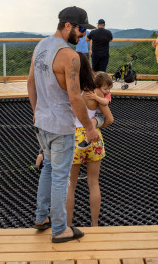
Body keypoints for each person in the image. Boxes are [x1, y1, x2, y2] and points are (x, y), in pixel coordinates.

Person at [27, 6, 99, 243]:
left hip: (42, 123)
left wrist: (36, 112)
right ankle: (59, 229)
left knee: (47, 168)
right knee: (60, 176)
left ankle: (40, 217)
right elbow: (75, 97)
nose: (83, 35)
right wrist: (89, 128)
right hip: (60, 126)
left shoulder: (40, 46)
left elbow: (30, 82)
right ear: (68, 26)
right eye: (81, 29)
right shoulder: (70, 57)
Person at [66, 53, 114, 228]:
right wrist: (95, 123)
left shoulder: (69, 90)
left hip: (73, 137)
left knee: (70, 185)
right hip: (93, 136)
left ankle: (68, 225)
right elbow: (109, 119)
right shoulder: (94, 93)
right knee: (93, 183)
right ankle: (94, 225)